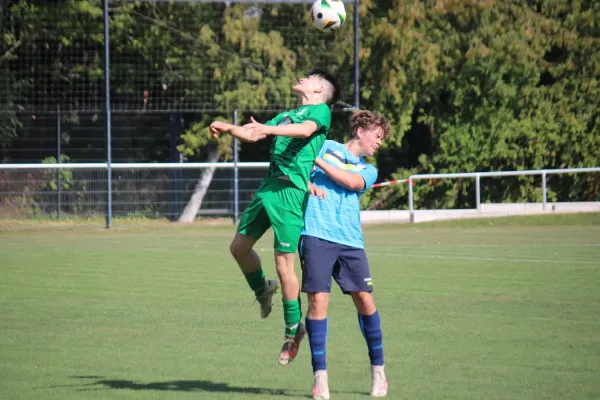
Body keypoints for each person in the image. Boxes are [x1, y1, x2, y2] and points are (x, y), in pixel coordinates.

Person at [209, 69, 339, 366]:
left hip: (291, 192)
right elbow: (253, 133)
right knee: (238, 248)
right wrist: (227, 126)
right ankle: (262, 289)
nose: (303, 79)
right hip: (269, 187)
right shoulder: (285, 115)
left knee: (284, 265)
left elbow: (305, 131)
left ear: (319, 89)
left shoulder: (321, 111)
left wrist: (269, 131)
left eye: (309, 78)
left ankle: (293, 330)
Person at [299, 110, 391, 399]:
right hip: (315, 233)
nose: (379, 142)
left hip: (350, 241)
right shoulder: (325, 145)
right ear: (361, 130)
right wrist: (307, 181)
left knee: (365, 299)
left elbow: (350, 183)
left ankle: (378, 372)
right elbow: (297, 166)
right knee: (317, 302)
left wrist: (316, 161)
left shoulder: (369, 169)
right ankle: (320, 379)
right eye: (377, 136)